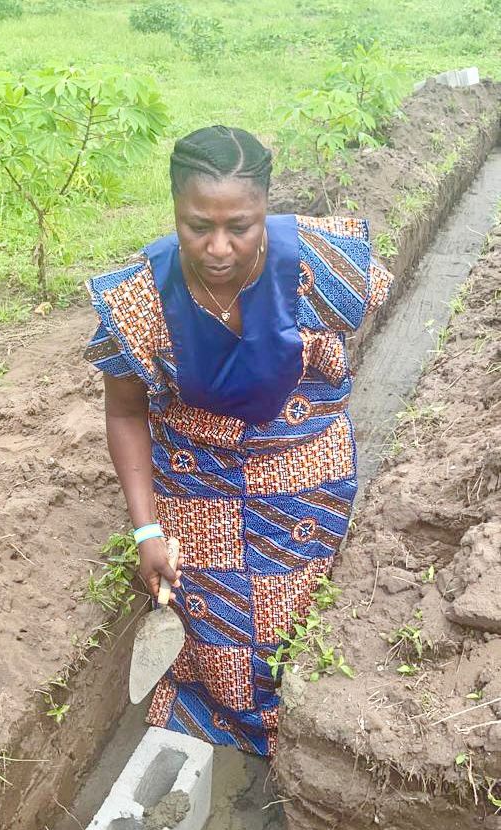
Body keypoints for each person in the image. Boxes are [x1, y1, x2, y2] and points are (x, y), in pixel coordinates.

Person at [84, 125, 392, 757]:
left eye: (241, 226)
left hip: (305, 462)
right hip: (199, 474)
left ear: (266, 213)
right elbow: (124, 415)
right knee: (216, 624)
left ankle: (307, 727)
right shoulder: (141, 296)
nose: (218, 247)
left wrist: (305, 388)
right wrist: (147, 532)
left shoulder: (317, 262)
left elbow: (371, 309)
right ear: (174, 209)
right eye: (198, 226)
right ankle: (227, 721)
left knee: (299, 608)